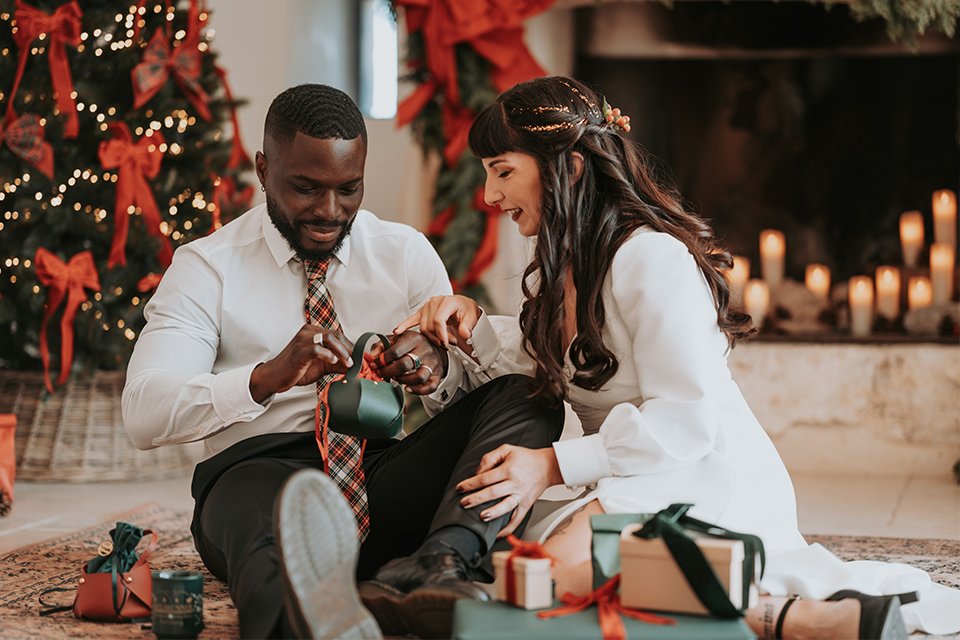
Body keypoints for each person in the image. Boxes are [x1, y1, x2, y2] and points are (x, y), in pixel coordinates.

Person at [397, 76, 960, 639]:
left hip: (698, 467)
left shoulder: (650, 258)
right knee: (514, 574)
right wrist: (467, 326)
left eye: (502, 171)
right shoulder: (559, 269)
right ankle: (782, 619)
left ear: (565, 168)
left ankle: (787, 619)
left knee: (553, 577)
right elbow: (547, 359)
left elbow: (686, 420)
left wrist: (549, 465)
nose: (489, 197)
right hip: (627, 470)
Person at [122, 84, 563, 639]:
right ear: (263, 169)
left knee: (526, 394)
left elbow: (468, 399)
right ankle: (306, 625)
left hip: (378, 474)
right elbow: (142, 414)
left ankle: (441, 564)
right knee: (270, 550)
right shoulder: (207, 268)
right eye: (305, 189)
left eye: (348, 189)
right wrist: (266, 378)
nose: (329, 212)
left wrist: (437, 369)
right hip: (256, 473)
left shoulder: (403, 253)